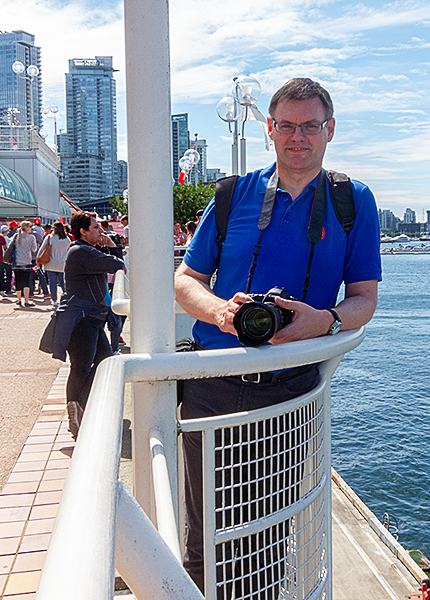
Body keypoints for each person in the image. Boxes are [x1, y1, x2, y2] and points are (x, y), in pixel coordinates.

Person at [174, 77, 381, 594]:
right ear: (269, 129)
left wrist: (325, 321)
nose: (298, 136)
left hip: (290, 388)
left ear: (329, 130)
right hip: (212, 379)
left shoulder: (352, 200)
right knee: (206, 534)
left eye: (310, 125)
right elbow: (186, 280)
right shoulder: (231, 195)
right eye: (286, 125)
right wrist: (223, 312)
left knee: (267, 531)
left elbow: (364, 300)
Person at [47, 211, 124, 439]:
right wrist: (110, 243)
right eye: (96, 228)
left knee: (104, 362)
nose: (100, 232)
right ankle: (76, 409)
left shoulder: (84, 250)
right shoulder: (82, 251)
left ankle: (79, 407)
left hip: (90, 318)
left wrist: (106, 244)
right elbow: (118, 264)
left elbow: (113, 263)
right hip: (83, 319)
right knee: (82, 367)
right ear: (83, 231)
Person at [37, 221, 72, 306]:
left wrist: (38, 260)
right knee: (63, 283)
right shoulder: (67, 239)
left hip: (50, 264)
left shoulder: (50, 237)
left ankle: (54, 300)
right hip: (63, 264)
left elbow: (41, 250)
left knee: (52, 283)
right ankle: (66, 299)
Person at [11, 220, 38, 307]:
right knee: (26, 282)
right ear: (26, 228)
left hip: (17, 262)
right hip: (27, 262)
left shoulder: (16, 236)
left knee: (18, 281)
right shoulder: (31, 237)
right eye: (30, 226)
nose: (31, 228)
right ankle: (26, 301)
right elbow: (34, 249)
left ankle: (19, 300)